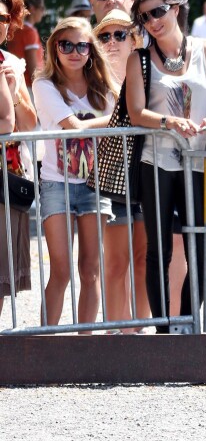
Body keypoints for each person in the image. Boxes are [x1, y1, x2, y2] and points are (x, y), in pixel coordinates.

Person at [126, 0, 206, 333]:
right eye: (144, 16)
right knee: (159, 249)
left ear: (176, 9)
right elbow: (137, 113)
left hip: (198, 159)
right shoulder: (139, 60)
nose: (153, 21)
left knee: (199, 243)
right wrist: (170, 121)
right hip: (156, 162)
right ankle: (165, 329)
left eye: (158, 11)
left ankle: (186, 321)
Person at [32, 17, 116, 328]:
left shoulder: (104, 87)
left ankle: (84, 346)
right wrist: (109, 120)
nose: (74, 51)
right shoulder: (44, 85)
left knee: (91, 270)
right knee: (61, 270)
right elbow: (73, 125)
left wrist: (113, 118)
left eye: (82, 45)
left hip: (96, 184)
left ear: (91, 51)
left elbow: (129, 113)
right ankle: (44, 347)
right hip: (57, 184)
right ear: (54, 48)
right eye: (66, 44)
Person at [93, 8, 150, 333]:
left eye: (120, 34)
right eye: (104, 35)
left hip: (141, 172)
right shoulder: (91, 78)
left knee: (143, 258)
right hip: (106, 179)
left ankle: (140, 330)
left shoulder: (144, 72)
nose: (112, 42)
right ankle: (117, 333)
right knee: (113, 261)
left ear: (134, 39)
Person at [0, 0, 38, 316]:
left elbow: (29, 124)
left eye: (2, 18)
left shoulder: (12, 62)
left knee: (1, 266)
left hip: (7, 173)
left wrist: (14, 93)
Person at [7, 0, 45, 90]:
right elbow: (32, 66)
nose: (43, 12)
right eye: (42, 8)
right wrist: (41, 88)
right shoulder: (29, 32)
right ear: (32, 8)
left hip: (16, 83)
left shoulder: (16, 30)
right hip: (29, 86)